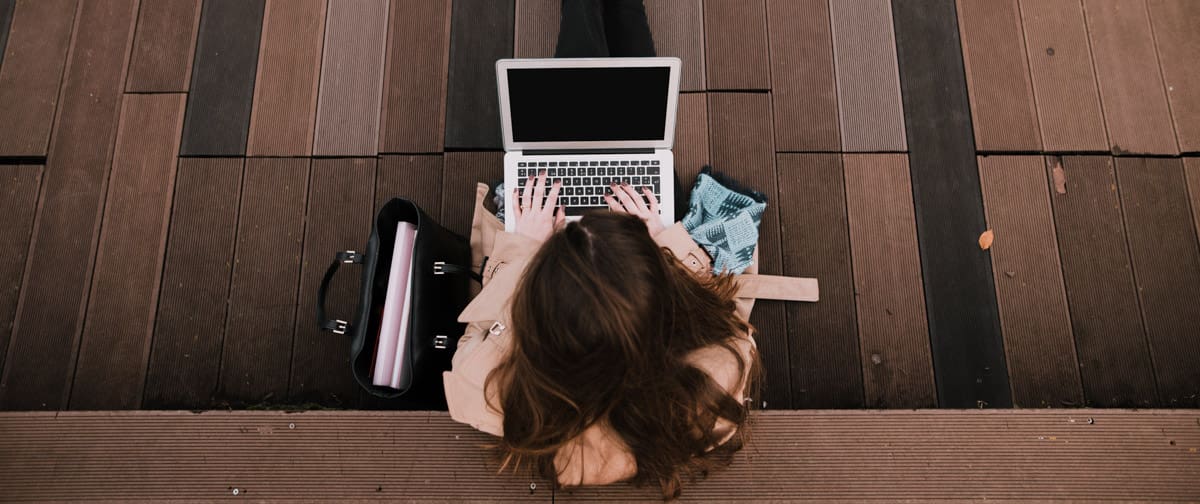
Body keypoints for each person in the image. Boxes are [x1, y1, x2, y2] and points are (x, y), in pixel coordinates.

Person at [443, 1, 785, 499]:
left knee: (575, 76)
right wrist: (659, 232)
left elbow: (473, 351)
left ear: (543, 316)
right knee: (622, 90)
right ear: (659, 299)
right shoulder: (714, 380)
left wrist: (522, 251)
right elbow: (728, 326)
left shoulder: (492, 395)